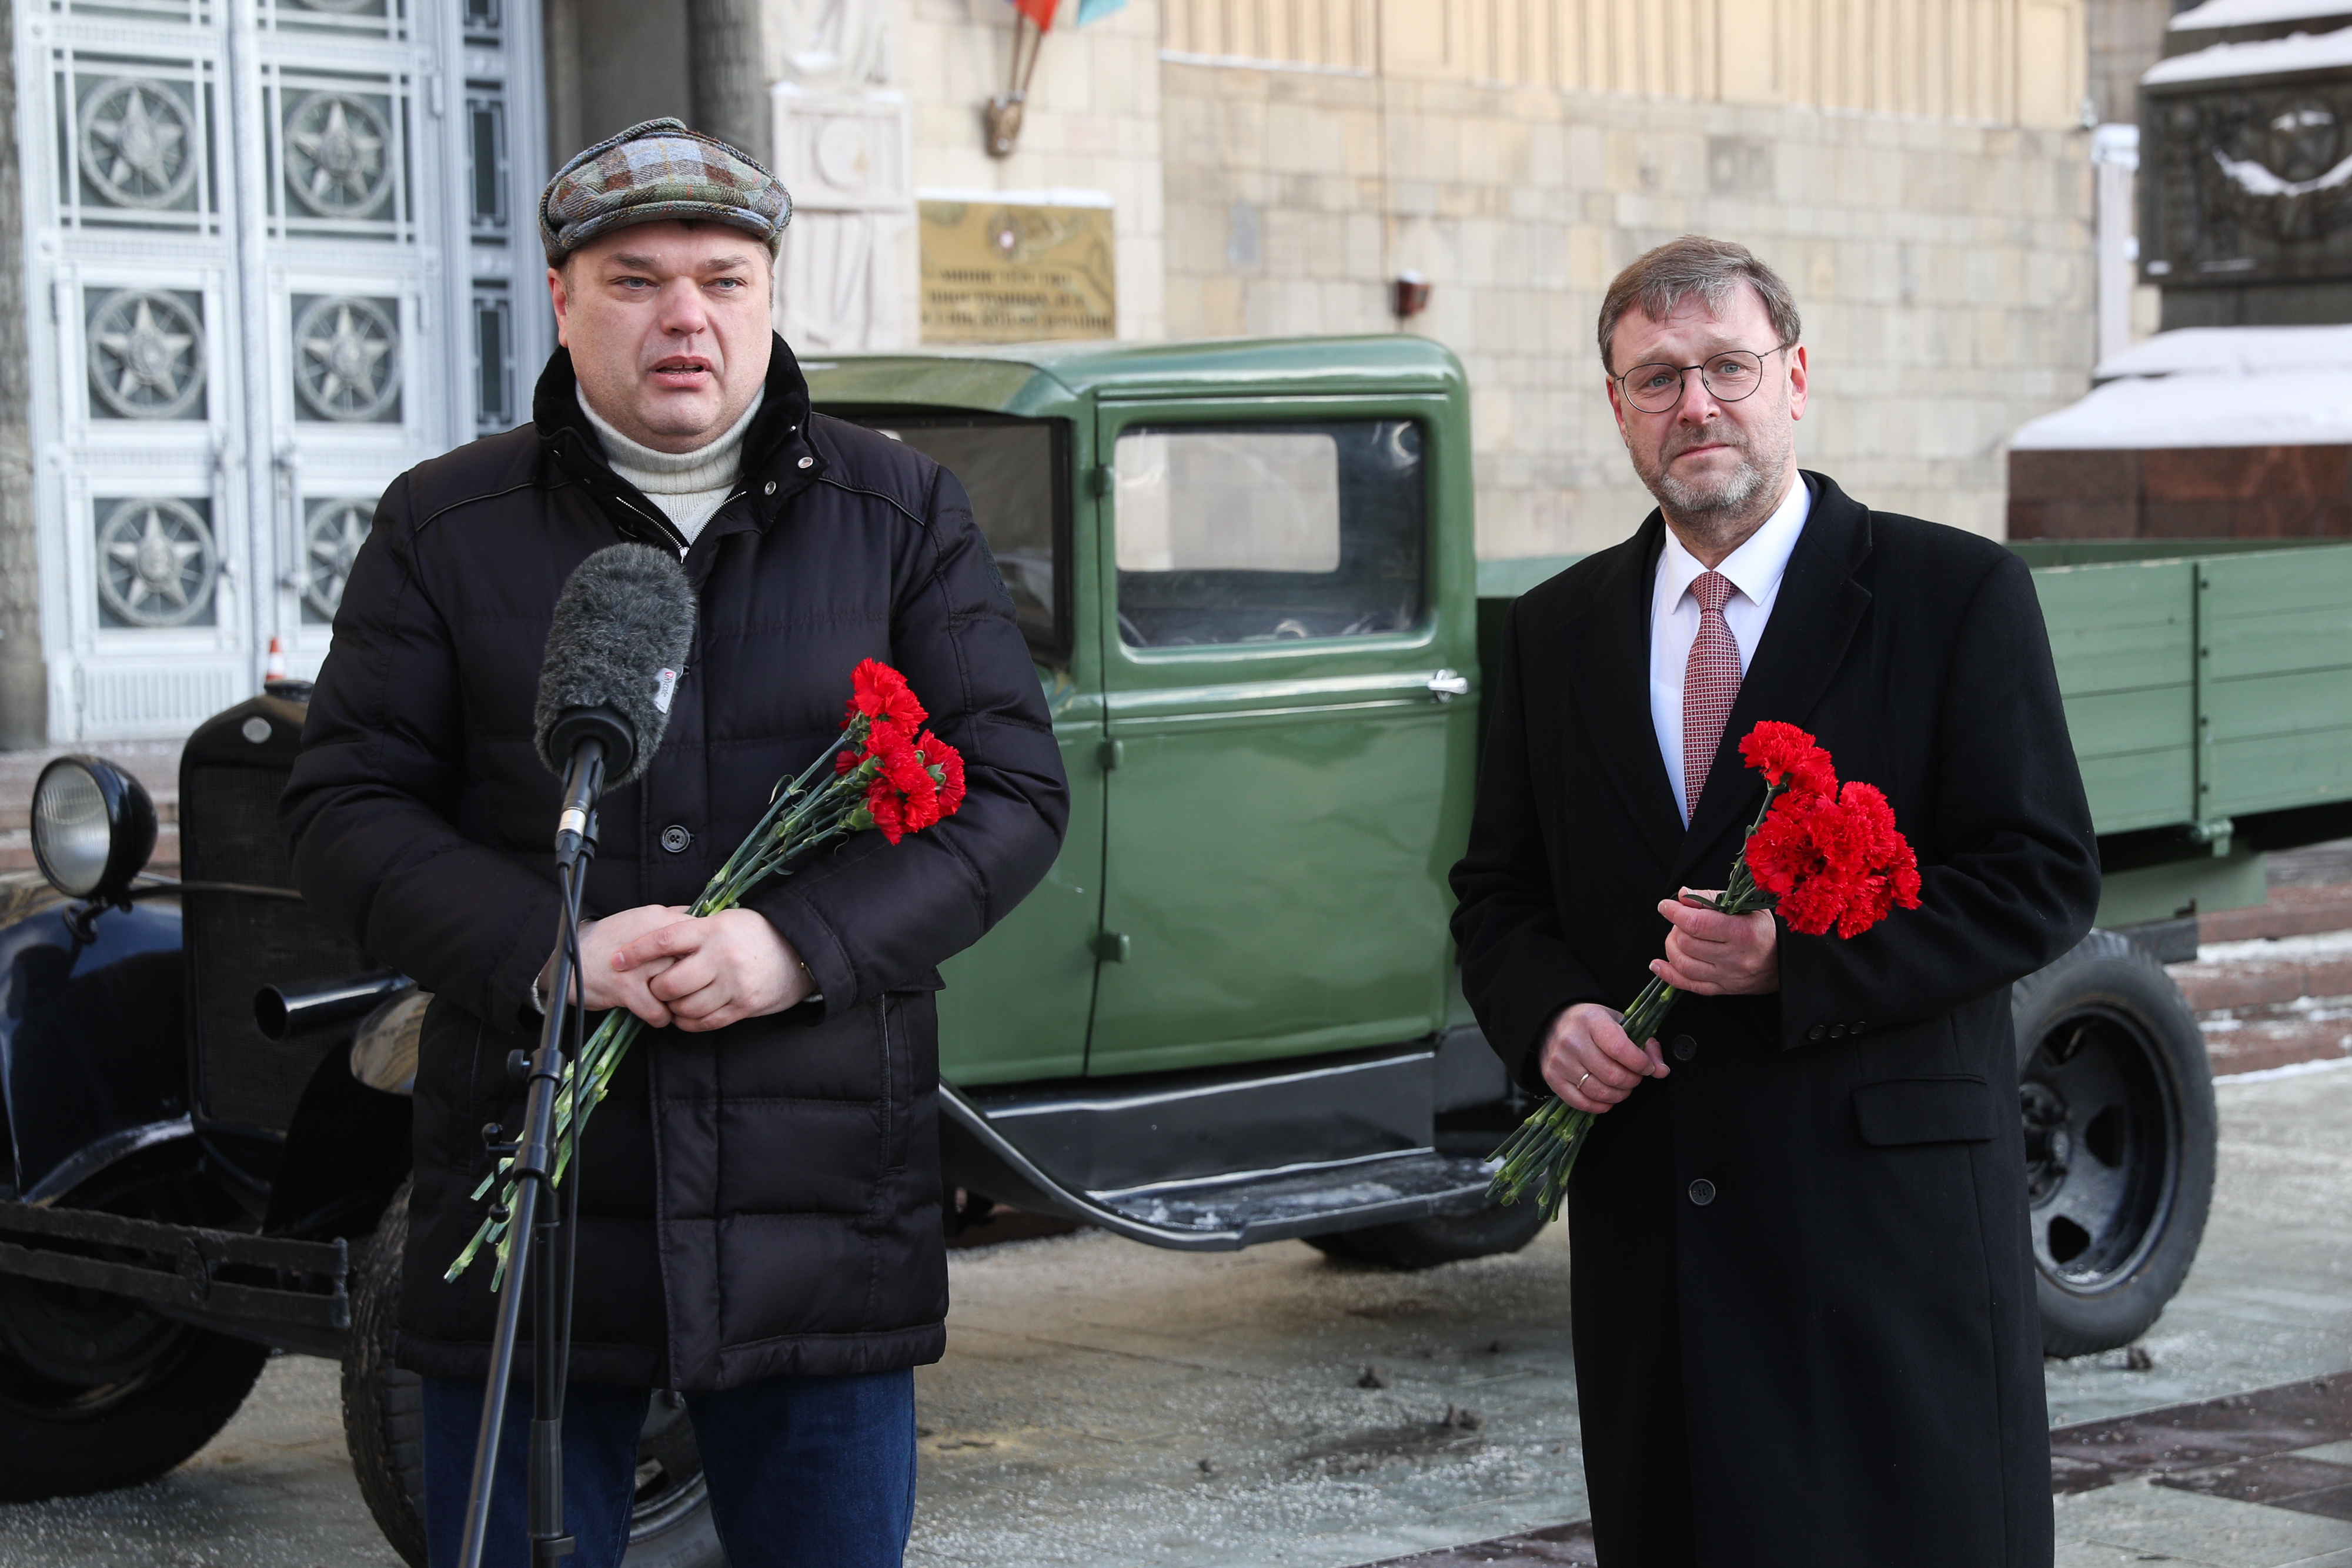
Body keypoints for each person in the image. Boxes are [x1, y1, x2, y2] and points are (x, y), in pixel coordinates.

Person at [280, 118, 1068, 1567]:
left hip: (815, 1206)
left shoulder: (897, 513)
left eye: (722, 276)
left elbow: (1012, 793)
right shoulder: (443, 525)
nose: (684, 317)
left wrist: (795, 945)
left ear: (772, 295)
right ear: (563, 297)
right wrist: (548, 949)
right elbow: (342, 809)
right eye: (635, 279)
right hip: (535, 1201)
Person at [1449, 235, 2100, 1567]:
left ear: (1792, 377)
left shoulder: (1952, 593)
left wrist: (1789, 962)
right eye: (1654, 380)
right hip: (1656, 1241)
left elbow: (2038, 879)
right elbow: (1495, 890)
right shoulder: (1552, 628)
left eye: (1724, 368)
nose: (1694, 406)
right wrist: (1549, 1012)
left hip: (1878, 1237)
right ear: (1618, 407)